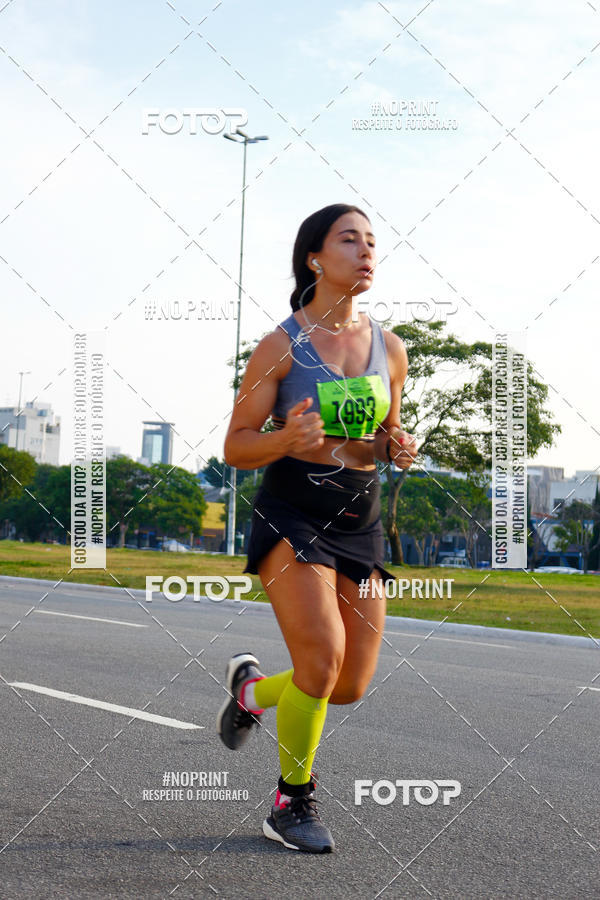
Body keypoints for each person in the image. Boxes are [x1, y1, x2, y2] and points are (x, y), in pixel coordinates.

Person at [218, 203, 417, 853]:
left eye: (372, 243)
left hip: (359, 519)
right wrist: (282, 439)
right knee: (322, 660)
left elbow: (381, 433)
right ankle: (291, 802)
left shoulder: (390, 348)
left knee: (349, 685)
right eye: (349, 240)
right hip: (292, 513)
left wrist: (395, 446)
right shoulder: (281, 345)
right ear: (315, 258)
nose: (366, 252)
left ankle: (252, 691)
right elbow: (236, 445)